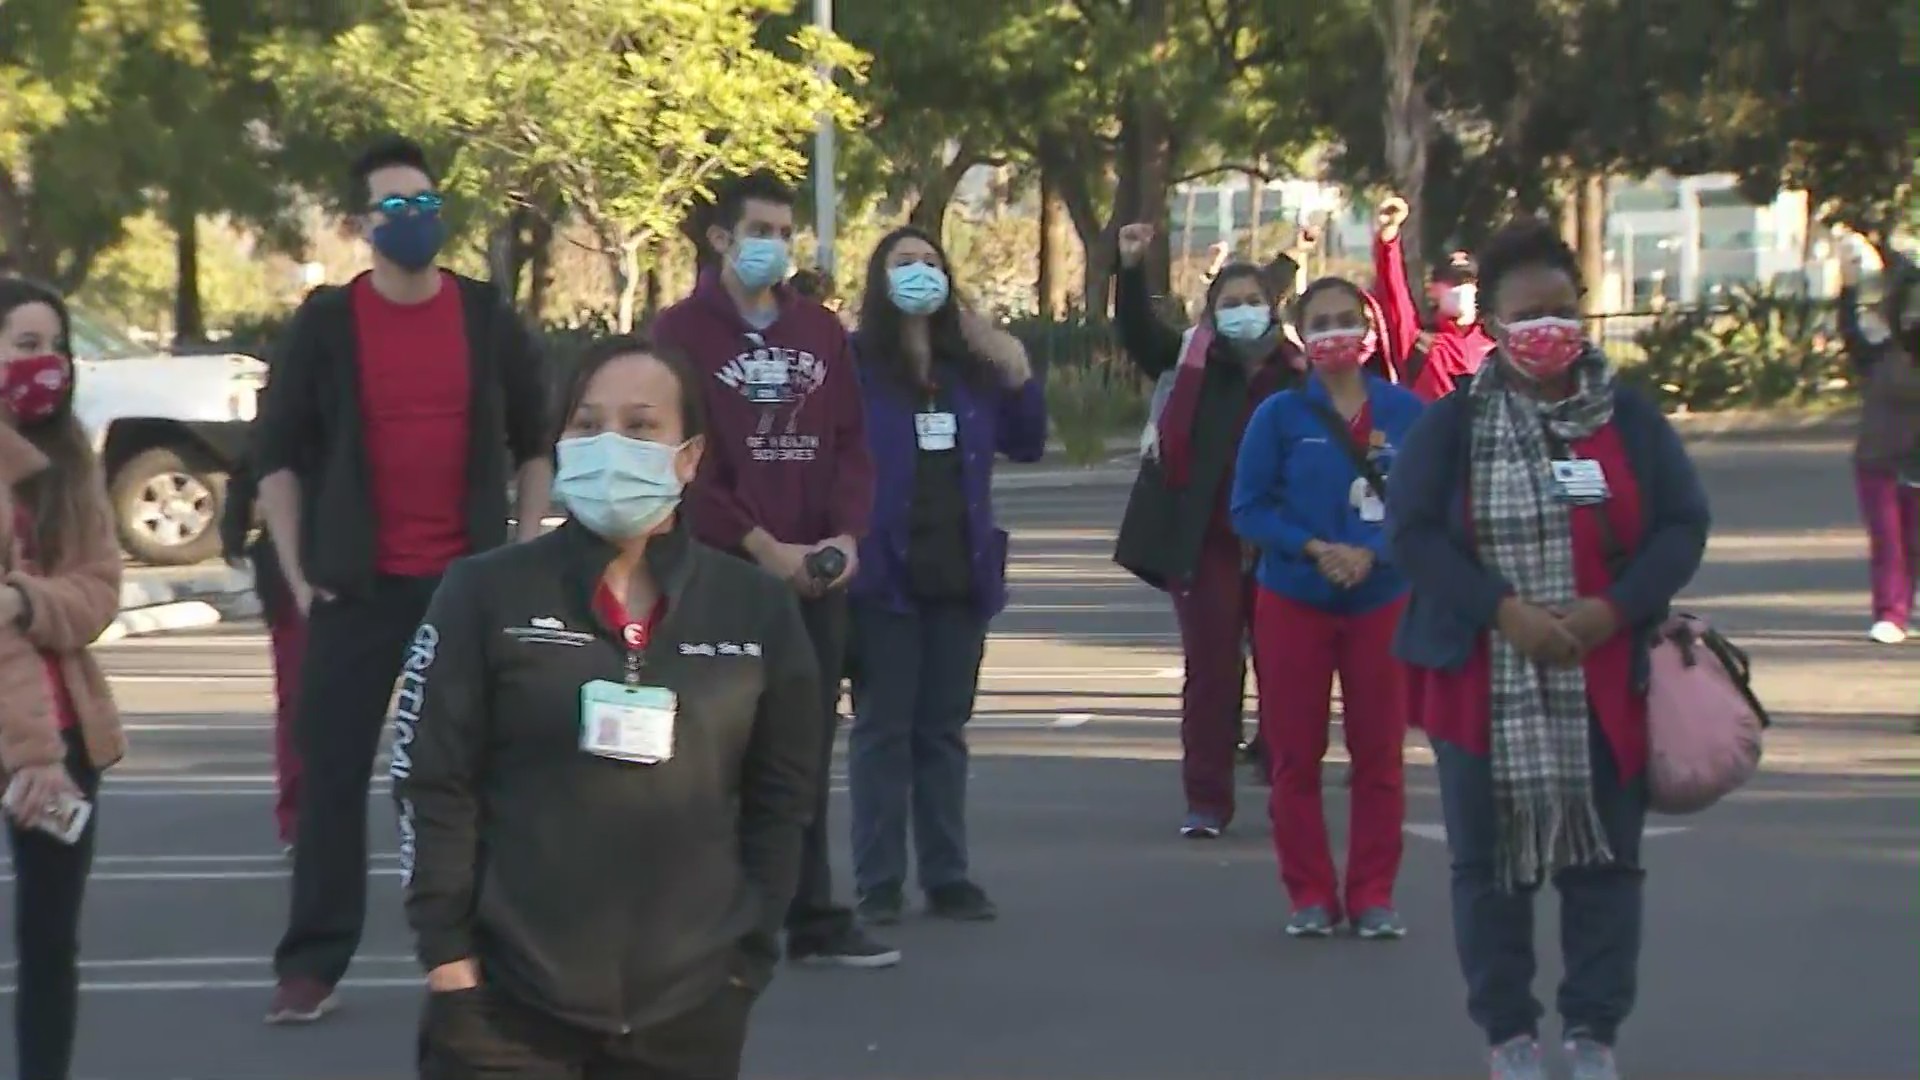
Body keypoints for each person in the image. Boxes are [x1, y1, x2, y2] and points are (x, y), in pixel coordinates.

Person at [399, 335, 820, 1079]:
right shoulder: (484, 593)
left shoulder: (756, 609)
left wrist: (746, 957)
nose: (608, 446)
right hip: (503, 1010)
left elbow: (783, 797)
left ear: (689, 457)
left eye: (640, 426)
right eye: (587, 425)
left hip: (689, 1012)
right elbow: (432, 778)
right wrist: (448, 958)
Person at [1386, 220, 1709, 1080]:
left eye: (1564, 311)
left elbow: (1682, 524)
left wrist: (1616, 608)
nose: (1549, 330)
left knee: (1606, 866)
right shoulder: (1450, 426)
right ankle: (1510, 1035)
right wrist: (1502, 611)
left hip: (1608, 679)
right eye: (1528, 315)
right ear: (1491, 323)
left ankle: (1592, 1032)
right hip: (1479, 682)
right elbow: (1413, 536)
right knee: (1487, 873)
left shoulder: (1630, 418)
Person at [253, 135, 554, 1023]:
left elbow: (536, 442)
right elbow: (277, 456)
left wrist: (525, 549)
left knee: (482, 774)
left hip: (466, 586)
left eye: (425, 203)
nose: (414, 220)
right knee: (332, 774)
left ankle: (491, 952)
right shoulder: (326, 324)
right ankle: (311, 963)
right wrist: (303, 577)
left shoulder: (485, 316)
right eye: (395, 207)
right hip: (358, 589)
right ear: (361, 225)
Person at [652, 170, 895, 967]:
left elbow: (851, 444)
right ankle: (710, 915)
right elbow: (685, 461)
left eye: (784, 234)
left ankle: (813, 915)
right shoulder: (680, 334)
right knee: (714, 746)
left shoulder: (820, 331)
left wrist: (845, 539)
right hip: (723, 575)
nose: (774, 249)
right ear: (721, 239)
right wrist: (762, 548)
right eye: (759, 233)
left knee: (804, 745)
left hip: (816, 577)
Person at [843, 226, 1047, 925]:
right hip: (884, 573)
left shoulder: (973, 371)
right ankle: (878, 881)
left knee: (942, 729)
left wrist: (1016, 369)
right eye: (904, 263)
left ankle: (947, 875)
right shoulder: (855, 364)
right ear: (879, 278)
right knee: (883, 729)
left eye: (931, 262)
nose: (920, 273)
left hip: (959, 569)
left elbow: (1027, 443)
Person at [1229, 278, 1422, 940]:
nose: (1336, 332)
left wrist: (1371, 553)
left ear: (1370, 330)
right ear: (1301, 336)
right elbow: (1247, 507)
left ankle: (1373, 894)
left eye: (1348, 320)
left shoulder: (1405, 413)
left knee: (1379, 755)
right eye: (1322, 322)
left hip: (1380, 602)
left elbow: (1427, 506)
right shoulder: (1278, 417)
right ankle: (1309, 893)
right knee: (1294, 754)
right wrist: (1312, 547)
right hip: (1294, 600)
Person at [1111, 221, 1305, 839]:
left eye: (1254, 303)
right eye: (1230, 304)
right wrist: (1133, 269)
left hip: (1281, 542)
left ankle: (1284, 778)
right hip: (1207, 542)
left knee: (1286, 668)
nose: (1243, 314)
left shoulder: (1299, 374)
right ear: (1211, 312)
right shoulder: (1195, 362)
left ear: (1273, 310)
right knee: (1213, 671)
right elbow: (1138, 333)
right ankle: (1206, 800)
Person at [0, 277, 126, 1080]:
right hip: (25, 741)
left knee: (51, 944)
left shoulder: (76, 460)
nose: (44, 364)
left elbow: (101, 591)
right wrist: (27, 750)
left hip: (67, 736)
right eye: (24, 345)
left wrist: (22, 599)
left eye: (55, 348)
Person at [220, 455, 304, 857]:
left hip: (369, 561)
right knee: (300, 703)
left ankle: (304, 818)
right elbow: (258, 458)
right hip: (294, 576)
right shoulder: (292, 401)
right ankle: (300, 819)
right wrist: (236, 527)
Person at [1836, 244, 1920, 645]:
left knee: (1916, 543)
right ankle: (1891, 613)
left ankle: (1904, 608)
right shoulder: (1878, 354)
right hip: (1879, 459)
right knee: (1889, 540)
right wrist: (1848, 288)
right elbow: (1849, 331)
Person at [1372, 196, 1495, 401]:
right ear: (1433, 289)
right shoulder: (1417, 345)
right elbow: (1393, 294)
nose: (1461, 288)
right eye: (1451, 281)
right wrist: (1388, 238)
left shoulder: (1496, 346)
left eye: (1468, 282)